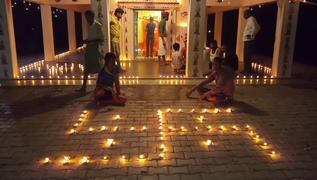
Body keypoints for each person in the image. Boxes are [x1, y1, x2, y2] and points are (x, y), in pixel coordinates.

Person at [76, 10, 105, 92]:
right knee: (87, 68)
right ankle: (83, 87)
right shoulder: (88, 25)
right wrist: (84, 41)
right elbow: (90, 38)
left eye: (89, 17)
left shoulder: (98, 26)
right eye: (86, 18)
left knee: (99, 68)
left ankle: (98, 87)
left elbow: (102, 39)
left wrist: (88, 41)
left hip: (96, 49)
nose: (87, 19)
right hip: (89, 49)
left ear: (93, 16)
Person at [241, 10, 261, 74]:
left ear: (248, 14)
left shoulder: (251, 19)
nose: (244, 15)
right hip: (247, 40)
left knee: (247, 56)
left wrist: (252, 34)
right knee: (246, 55)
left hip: (249, 40)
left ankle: (248, 70)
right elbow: (258, 27)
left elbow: (255, 27)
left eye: (245, 14)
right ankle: (246, 69)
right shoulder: (250, 20)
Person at [110, 8, 125, 72]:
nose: (121, 15)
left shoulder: (118, 21)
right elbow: (105, 24)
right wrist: (110, 31)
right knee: (114, 55)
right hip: (113, 39)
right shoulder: (112, 19)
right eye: (120, 14)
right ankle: (115, 68)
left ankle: (118, 68)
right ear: (117, 13)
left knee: (117, 54)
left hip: (117, 39)